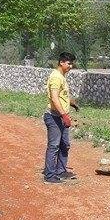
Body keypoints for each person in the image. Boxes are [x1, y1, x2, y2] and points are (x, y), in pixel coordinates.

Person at [43, 52, 80, 184]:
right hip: (54, 117)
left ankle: (60, 171)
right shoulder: (56, 77)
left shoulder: (61, 77)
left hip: (61, 116)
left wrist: (71, 103)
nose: (71, 66)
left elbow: (61, 96)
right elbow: (54, 97)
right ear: (61, 62)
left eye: (72, 63)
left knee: (65, 145)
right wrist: (64, 115)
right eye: (69, 63)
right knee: (54, 146)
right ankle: (49, 176)